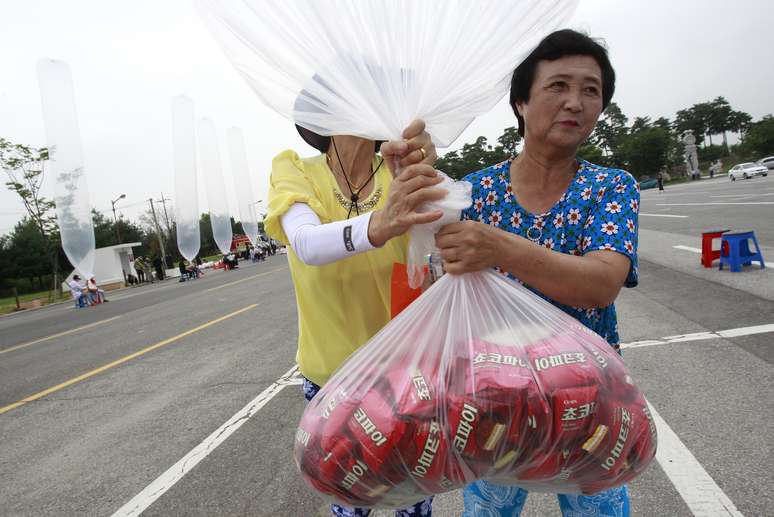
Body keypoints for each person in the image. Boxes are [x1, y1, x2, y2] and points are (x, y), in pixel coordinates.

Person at [434, 29, 639, 517]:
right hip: (496, 405)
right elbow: (426, 267)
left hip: (590, 403)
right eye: (558, 86)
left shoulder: (610, 187)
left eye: (591, 90)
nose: (576, 102)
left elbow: (599, 284)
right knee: (487, 512)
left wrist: (498, 246)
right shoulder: (473, 193)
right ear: (521, 102)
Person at [265, 116, 443, 517]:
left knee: (414, 502)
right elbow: (308, 244)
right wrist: (381, 223)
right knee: (349, 501)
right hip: (332, 375)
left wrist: (429, 175)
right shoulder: (295, 169)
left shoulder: (399, 168)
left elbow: (441, 236)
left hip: (405, 373)